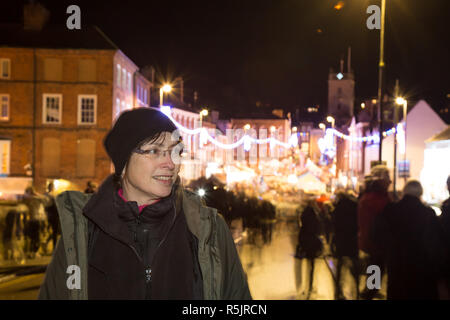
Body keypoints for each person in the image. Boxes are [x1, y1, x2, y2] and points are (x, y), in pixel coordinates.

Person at [39, 107, 251, 300]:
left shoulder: (209, 230)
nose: (170, 163)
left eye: (175, 151)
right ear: (123, 161)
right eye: (154, 151)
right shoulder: (81, 232)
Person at [374, 180, 448, 299]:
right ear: (420, 193)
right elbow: (436, 248)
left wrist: (373, 284)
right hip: (422, 276)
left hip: (397, 273)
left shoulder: (390, 211)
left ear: (404, 192)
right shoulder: (427, 214)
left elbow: (377, 243)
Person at [357, 165, 391, 300]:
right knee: (376, 270)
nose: (390, 181)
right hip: (376, 243)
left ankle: (370, 291)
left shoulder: (369, 197)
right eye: (388, 178)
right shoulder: (376, 199)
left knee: (375, 269)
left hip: (372, 241)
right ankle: (368, 294)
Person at [331, 190, 359, 300]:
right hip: (353, 239)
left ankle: (338, 291)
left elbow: (334, 223)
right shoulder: (354, 205)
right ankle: (358, 290)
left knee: (340, 267)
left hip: (341, 240)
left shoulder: (338, 208)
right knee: (356, 266)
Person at [295, 199, 323, 299]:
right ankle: (310, 287)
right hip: (312, 242)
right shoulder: (314, 215)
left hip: (305, 241)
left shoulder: (304, 214)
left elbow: (302, 229)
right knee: (311, 266)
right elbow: (318, 228)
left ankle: (303, 288)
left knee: (304, 265)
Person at [22, 186, 46, 259]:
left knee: (35, 237)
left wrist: (35, 194)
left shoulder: (36, 199)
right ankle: (32, 252)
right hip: (32, 220)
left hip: (36, 220)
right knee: (32, 237)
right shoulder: (28, 200)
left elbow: (45, 199)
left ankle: (34, 252)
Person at [44, 182, 60, 253]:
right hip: (54, 215)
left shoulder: (46, 195)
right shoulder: (51, 195)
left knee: (53, 231)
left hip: (49, 214)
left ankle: (48, 242)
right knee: (55, 231)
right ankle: (53, 246)